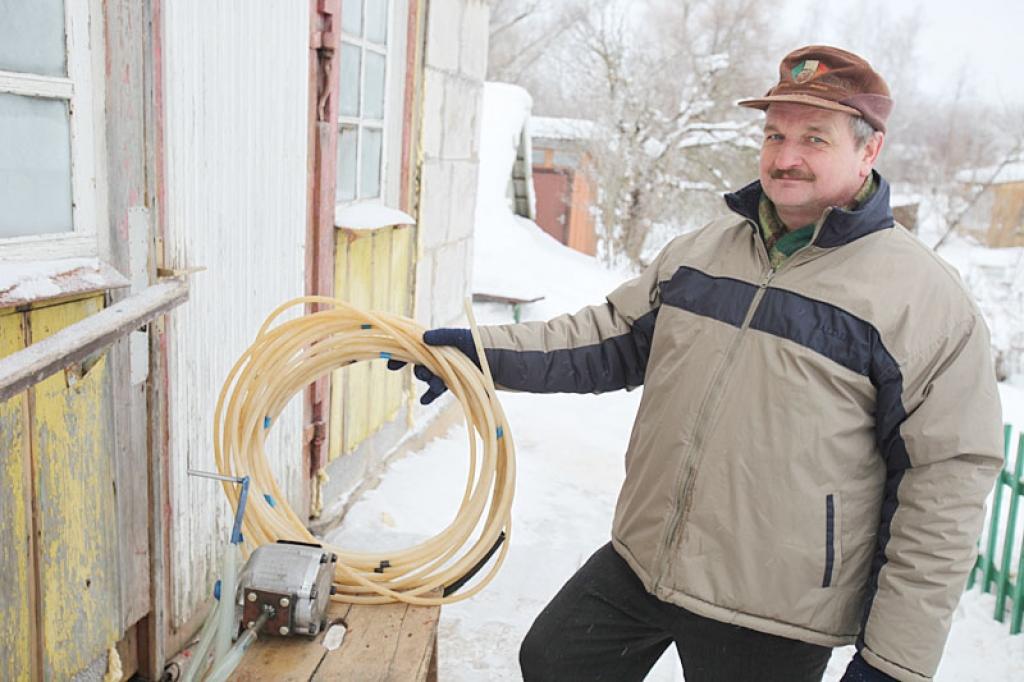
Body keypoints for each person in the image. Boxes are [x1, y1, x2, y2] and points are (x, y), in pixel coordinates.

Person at [397, 46, 1004, 681]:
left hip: (774, 605)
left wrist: (893, 663)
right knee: (556, 660)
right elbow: (607, 338)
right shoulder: (708, 249)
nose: (785, 156)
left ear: (869, 150)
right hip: (649, 557)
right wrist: (477, 356)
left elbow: (946, 483)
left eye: (813, 139)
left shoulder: (924, 298)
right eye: (775, 134)